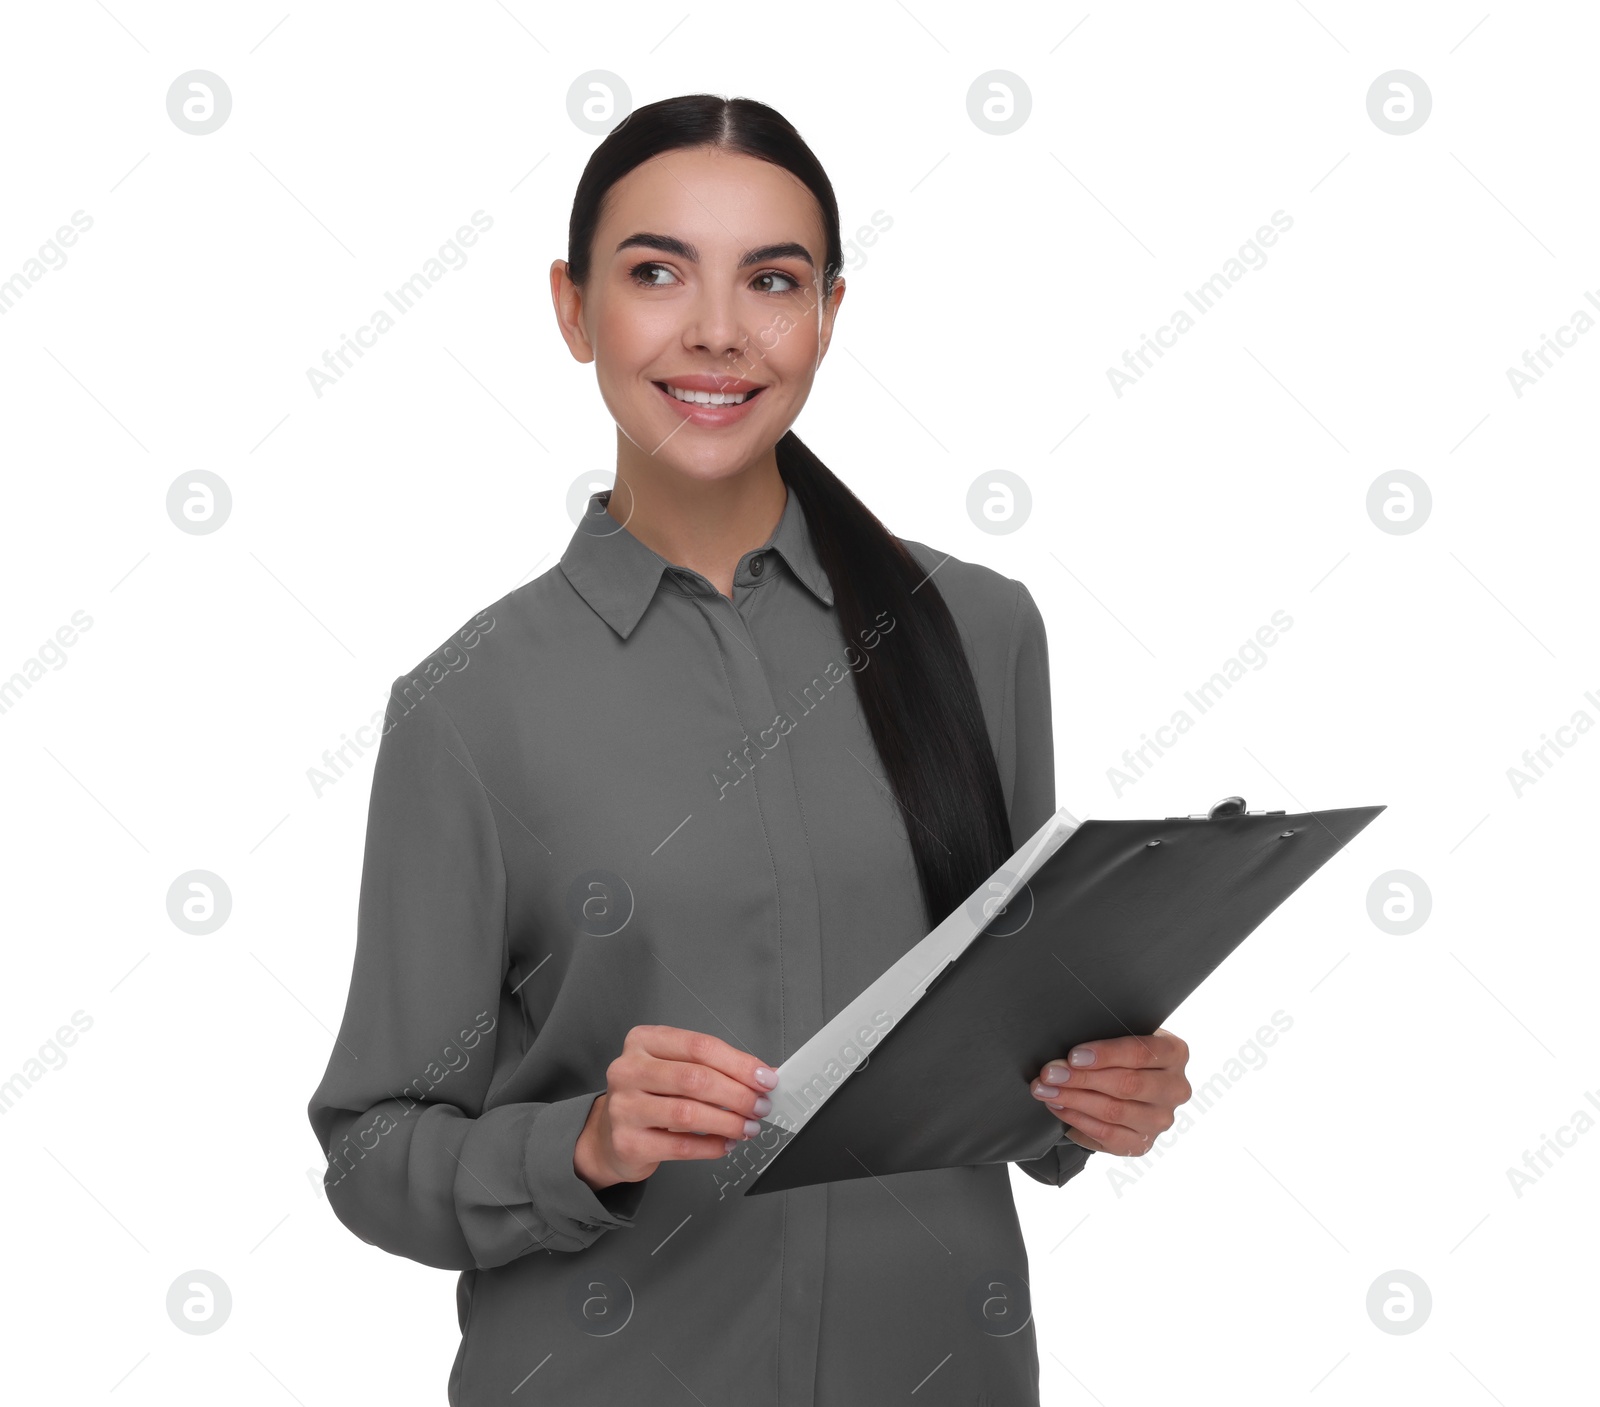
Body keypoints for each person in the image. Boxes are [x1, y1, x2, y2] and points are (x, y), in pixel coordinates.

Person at [306, 91, 1192, 1407]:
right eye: (657, 272)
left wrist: (1095, 1095)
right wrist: (587, 1145)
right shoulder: (469, 705)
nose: (717, 329)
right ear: (570, 307)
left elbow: (1008, 1037)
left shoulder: (979, 630)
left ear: (829, 311)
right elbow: (375, 1153)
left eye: (771, 280)